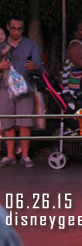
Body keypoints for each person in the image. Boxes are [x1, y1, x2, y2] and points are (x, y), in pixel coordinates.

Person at [0, 16, 43, 168]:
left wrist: (34, 67)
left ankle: (25, 156)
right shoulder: (2, 43)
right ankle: (10, 155)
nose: (16, 31)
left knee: (26, 122)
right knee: (8, 123)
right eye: (13, 28)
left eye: (19, 29)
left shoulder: (30, 44)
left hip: (25, 86)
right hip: (4, 87)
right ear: (8, 27)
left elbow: (39, 65)